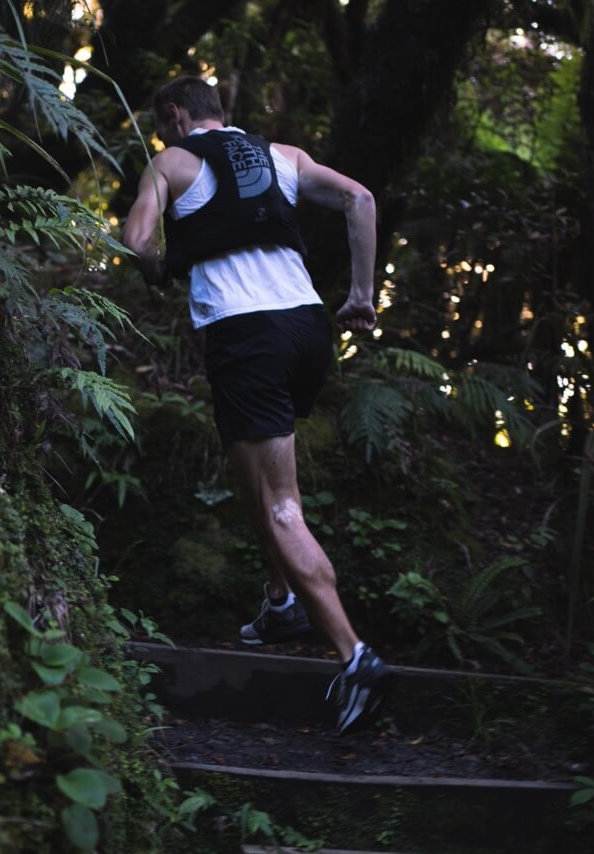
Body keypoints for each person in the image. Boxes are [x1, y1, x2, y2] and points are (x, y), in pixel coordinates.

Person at [122, 75, 391, 735]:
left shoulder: (170, 161)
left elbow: (136, 243)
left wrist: (157, 269)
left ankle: (354, 655)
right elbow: (359, 198)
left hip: (247, 337)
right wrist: (361, 294)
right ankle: (280, 601)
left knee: (281, 505)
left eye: (165, 128)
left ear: (177, 116)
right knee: (252, 470)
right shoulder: (285, 156)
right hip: (306, 331)